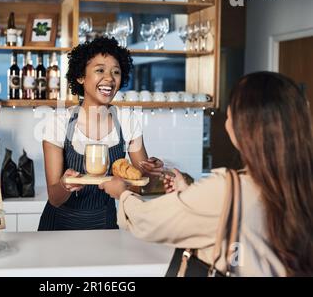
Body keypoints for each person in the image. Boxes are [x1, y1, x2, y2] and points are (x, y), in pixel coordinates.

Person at [100, 72, 313, 276]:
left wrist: (123, 194)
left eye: (231, 113)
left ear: (244, 127)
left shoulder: (225, 189)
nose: (227, 118)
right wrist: (191, 193)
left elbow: (149, 221)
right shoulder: (301, 183)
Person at [38, 37, 164, 231]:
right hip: (58, 229)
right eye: (100, 70)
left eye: (116, 72)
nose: (110, 78)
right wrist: (65, 185)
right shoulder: (58, 123)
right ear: (80, 77)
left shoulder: (127, 121)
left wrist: (150, 171)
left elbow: (140, 186)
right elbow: (54, 198)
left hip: (105, 226)